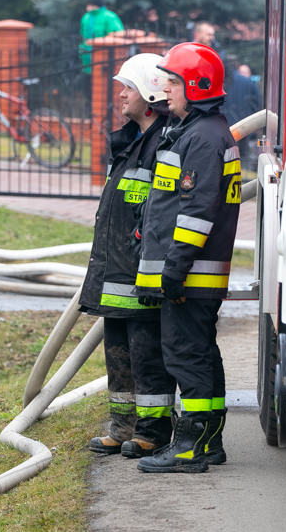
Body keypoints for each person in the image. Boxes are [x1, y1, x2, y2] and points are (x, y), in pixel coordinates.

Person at [136, 42, 241, 473]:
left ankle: (188, 448)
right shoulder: (199, 132)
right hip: (192, 271)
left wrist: (173, 270)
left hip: (190, 273)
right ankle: (208, 440)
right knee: (199, 353)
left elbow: (196, 214)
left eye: (174, 82)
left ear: (197, 85)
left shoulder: (202, 138)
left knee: (184, 356)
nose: (166, 90)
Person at [82, 53, 177, 459]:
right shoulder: (131, 142)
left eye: (129, 87)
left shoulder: (165, 143)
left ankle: (153, 430)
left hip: (142, 274)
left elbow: (163, 213)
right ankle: (122, 425)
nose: (121, 94)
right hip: (117, 271)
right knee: (118, 352)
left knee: (147, 354)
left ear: (152, 95)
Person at [224, 58, 262, 170]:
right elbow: (257, 105)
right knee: (242, 159)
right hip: (244, 130)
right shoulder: (249, 83)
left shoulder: (222, 83)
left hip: (224, 129)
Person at [79, 0, 123, 74]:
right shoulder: (86, 17)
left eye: (88, 4)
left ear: (94, 5)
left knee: (102, 80)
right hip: (87, 54)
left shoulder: (109, 16)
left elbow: (117, 35)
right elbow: (83, 34)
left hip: (104, 54)